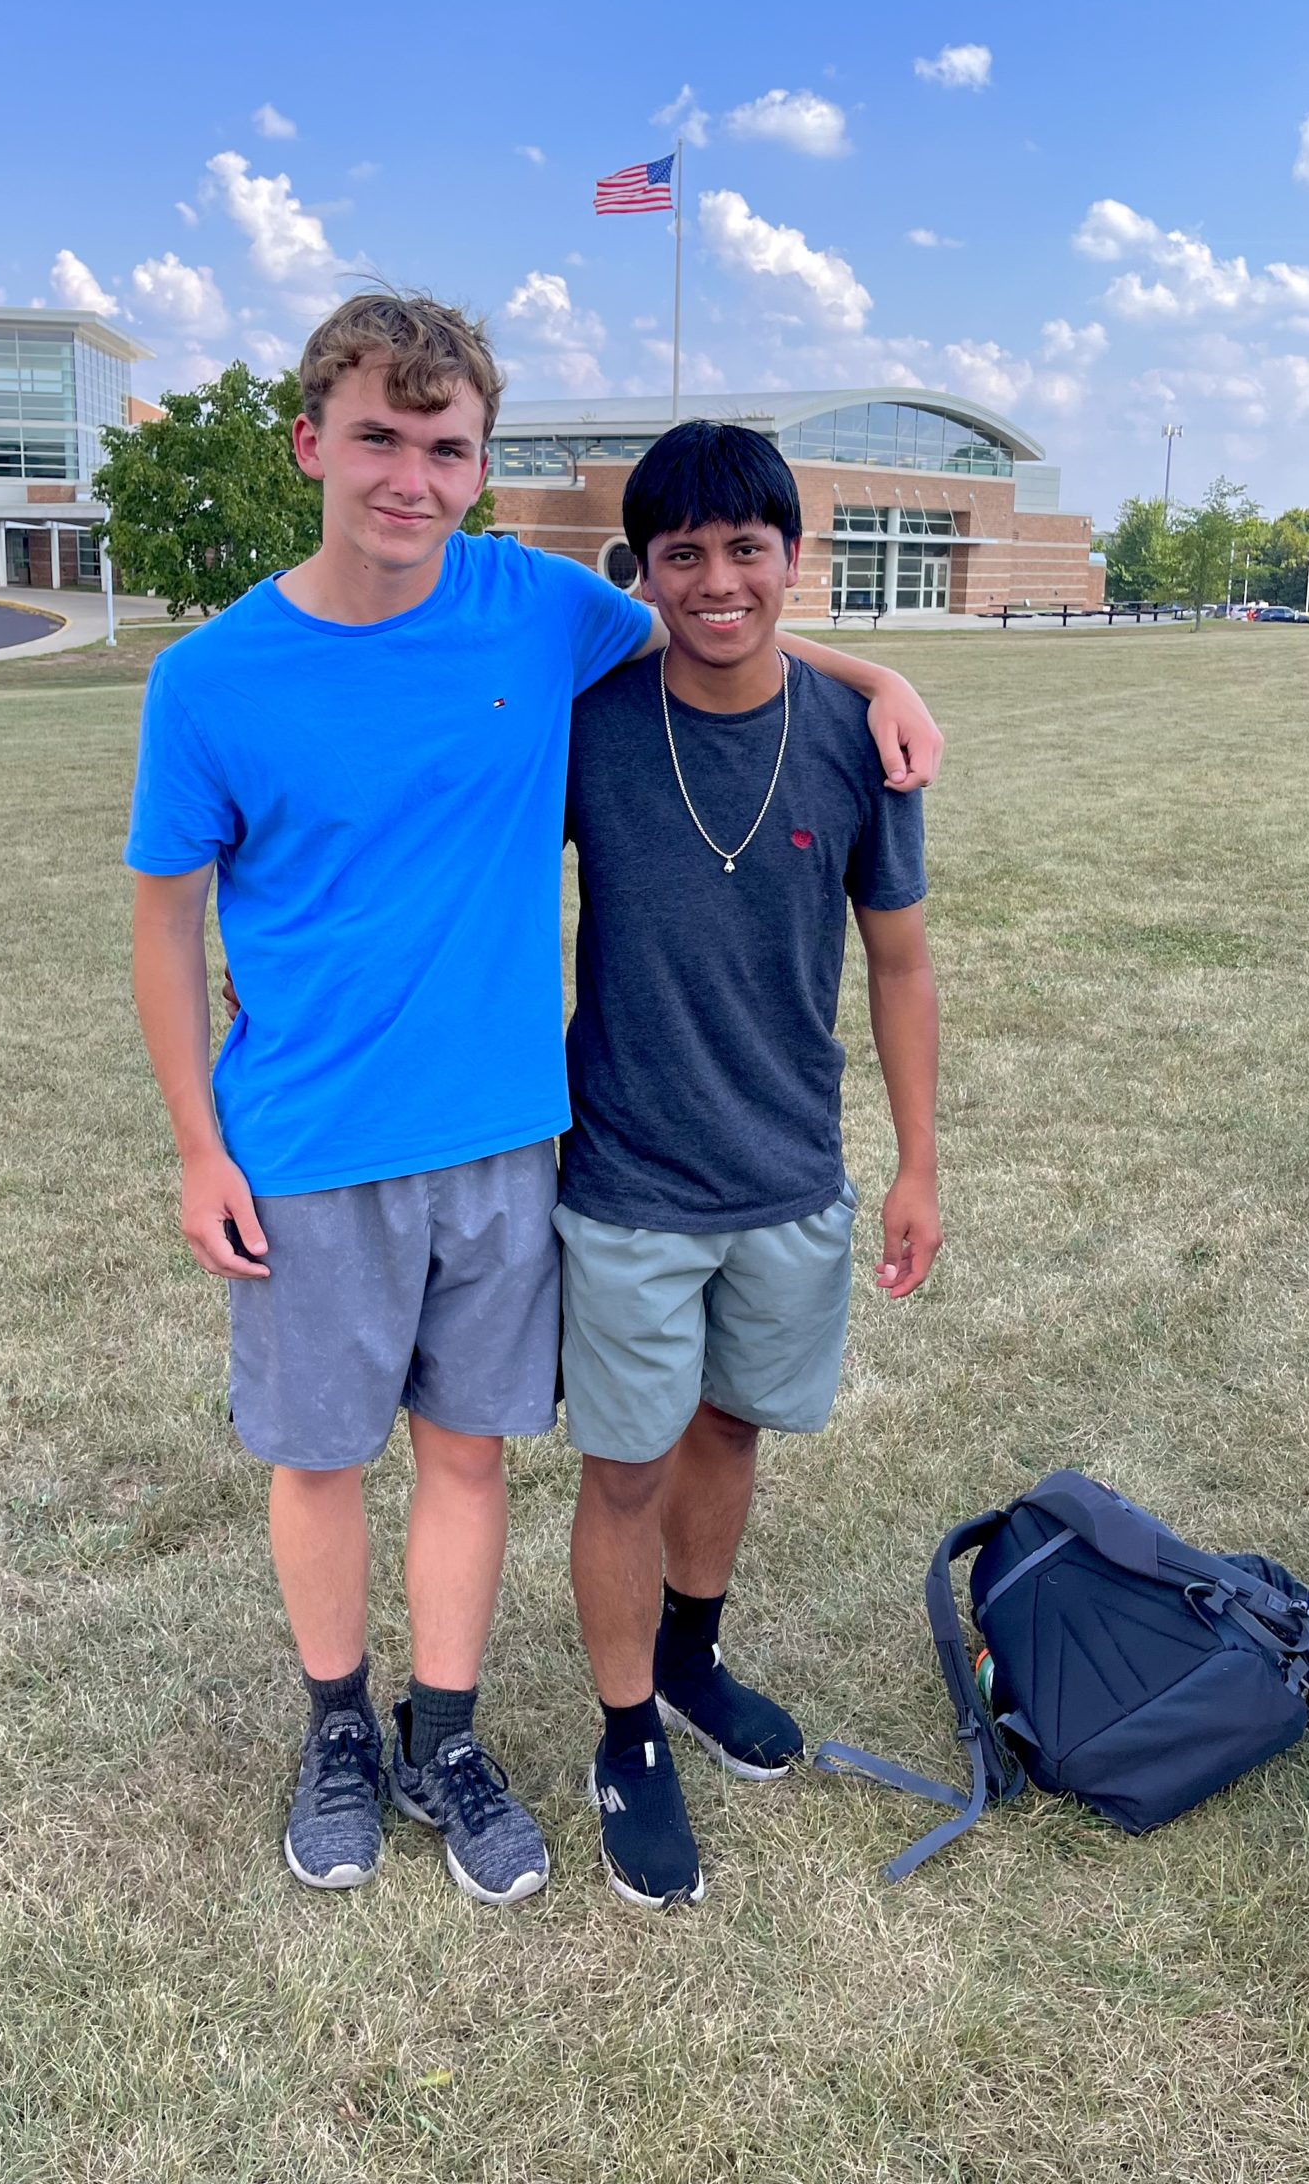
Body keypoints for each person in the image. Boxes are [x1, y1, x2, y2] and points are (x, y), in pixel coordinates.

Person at [124, 294, 941, 1909]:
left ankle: (452, 1730)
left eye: (446, 448)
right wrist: (198, 1145)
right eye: (378, 438)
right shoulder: (212, 679)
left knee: (474, 1460)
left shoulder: (525, 606)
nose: (410, 478)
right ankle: (340, 1730)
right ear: (312, 444)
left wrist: (878, 670)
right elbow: (164, 920)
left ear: (483, 468)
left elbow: (724, 624)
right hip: (306, 1143)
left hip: (511, 1140)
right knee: (318, 1460)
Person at [558, 422, 942, 1910]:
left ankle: (692, 1660)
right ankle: (624, 1737)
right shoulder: (589, 723)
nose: (718, 582)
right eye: (684, 555)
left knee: (731, 1434)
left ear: (796, 560)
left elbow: (900, 966)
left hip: (791, 1173)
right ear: (644, 569)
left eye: (746, 550)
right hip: (631, 1180)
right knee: (626, 1463)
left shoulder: (863, 745)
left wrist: (917, 1164)